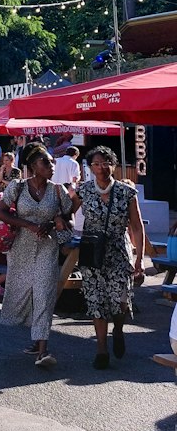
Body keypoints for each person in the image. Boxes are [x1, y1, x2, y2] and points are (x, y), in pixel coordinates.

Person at [0, 146, 77, 369]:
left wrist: (55, 221)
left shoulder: (58, 190)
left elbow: (69, 220)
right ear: (33, 167)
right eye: (46, 163)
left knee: (44, 294)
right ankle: (36, 338)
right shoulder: (17, 186)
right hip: (20, 247)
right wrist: (28, 225)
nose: (52, 167)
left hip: (47, 248)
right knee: (23, 292)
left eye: (52, 163)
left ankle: (43, 350)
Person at [75, 146, 145, 369]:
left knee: (120, 299)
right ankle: (101, 350)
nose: (101, 168)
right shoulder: (83, 190)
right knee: (96, 300)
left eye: (106, 163)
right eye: (96, 164)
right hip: (92, 252)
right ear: (90, 167)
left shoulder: (126, 192)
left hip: (118, 251)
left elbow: (136, 226)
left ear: (113, 165)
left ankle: (118, 328)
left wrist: (139, 259)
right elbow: (65, 212)